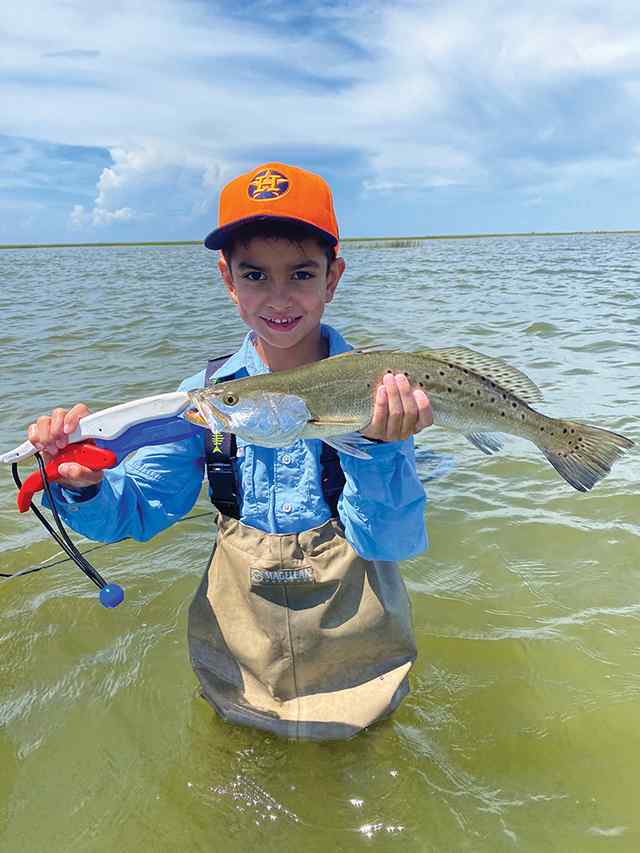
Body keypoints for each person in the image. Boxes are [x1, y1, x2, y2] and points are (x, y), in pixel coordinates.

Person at [28, 162, 433, 740]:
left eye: (300, 273)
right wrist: (81, 484)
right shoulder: (210, 396)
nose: (279, 296)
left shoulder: (376, 393)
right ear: (227, 279)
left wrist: (383, 451)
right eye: (254, 275)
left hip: (361, 667)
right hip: (236, 672)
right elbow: (139, 510)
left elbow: (392, 542)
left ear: (333, 277)